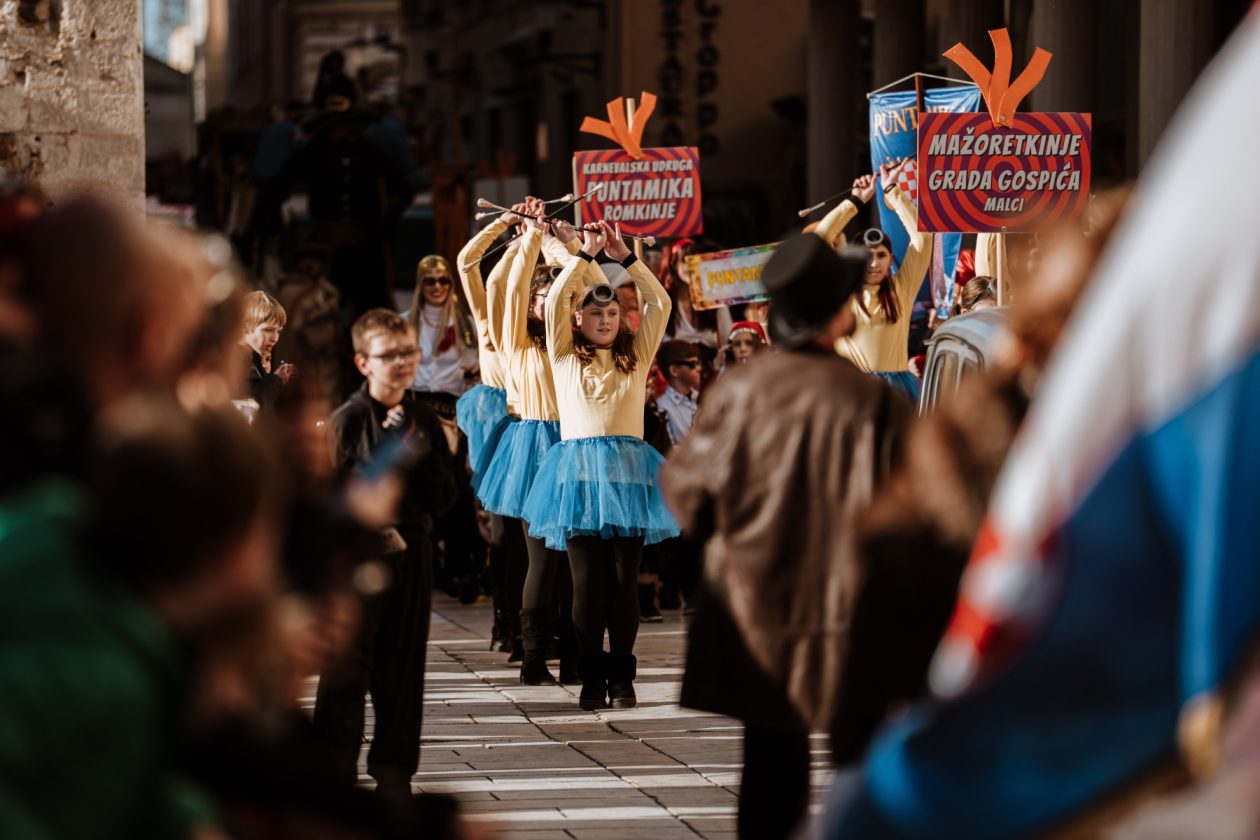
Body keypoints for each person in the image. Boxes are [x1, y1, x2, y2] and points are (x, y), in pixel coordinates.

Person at [661, 234, 912, 840]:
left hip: (757, 610)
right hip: (850, 610)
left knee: (770, 770)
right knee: (861, 764)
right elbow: (915, 517)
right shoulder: (872, 401)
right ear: (839, 313)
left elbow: (686, 493)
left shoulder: (741, 393)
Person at [523, 220, 679, 711]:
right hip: (579, 481)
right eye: (597, 313)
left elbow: (661, 304)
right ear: (579, 321)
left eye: (613, 312)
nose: (607, 319)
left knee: (623, 585)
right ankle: (591, 675)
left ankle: (623, 677)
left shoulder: (636, 355)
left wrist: (628, 260)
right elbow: (554, 302)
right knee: (587, 585)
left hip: (629, 478)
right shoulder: (566, 357)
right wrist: (586, 256)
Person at [313, 309, 457, 799]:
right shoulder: (346, 421)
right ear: (362, 362)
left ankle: (394, 772)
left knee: (402, 668)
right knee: (346, 668)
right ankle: (333, 773)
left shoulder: (422, 422)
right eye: (389, 355)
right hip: (355, 562)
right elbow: (327, 499)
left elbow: (444, 498)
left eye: (408, 353)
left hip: (410, 556)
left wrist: (414, 451)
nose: (401, 363)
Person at [478, 198, 589, 684]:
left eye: (557, 300)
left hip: (573, 444)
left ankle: (574, 649)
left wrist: (561, 242)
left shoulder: (574, 345)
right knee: (541, 557)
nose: (548, 304)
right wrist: (528, 236)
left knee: (576, 561)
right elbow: (505, 283)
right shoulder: (516, 343)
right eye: (542, 300)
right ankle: (532, 656)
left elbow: (587, 283)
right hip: (534, 447)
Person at [813, 159, 932, 400]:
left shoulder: (902, 288)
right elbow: (818, 242)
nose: (874, 263)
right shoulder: (841, 291)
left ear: (890, 260)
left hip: (896, 392)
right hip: (849, 390)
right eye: (867, 256)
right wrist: (854, 201)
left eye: (881, 255)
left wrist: (891, 190)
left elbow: (923, 238)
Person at [403, 254, 481, 603]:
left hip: (454, 410)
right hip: (418, 407)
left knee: (456, 485)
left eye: (443, 281)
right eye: (429, 281)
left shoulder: (466, 322)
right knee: (417, 481)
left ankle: (458, 564)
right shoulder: (407, 323)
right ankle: (426, 559)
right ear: (420, 286)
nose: (437, 287)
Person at [660, 237, 732, 379]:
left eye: (696, 260)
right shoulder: (665, 299)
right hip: (677, 373)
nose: (691, 266)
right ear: (674, 264)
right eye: (685, 261)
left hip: (713, 369)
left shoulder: (713, 295)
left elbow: (727, 336)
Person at [241, 290, 297, 413]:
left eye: (278, 331)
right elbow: (245, 411)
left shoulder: (256, 358)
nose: (275, 338)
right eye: (268, 330)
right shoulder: (233, 363)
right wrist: (276, 381)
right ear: (244, 326)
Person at [656, 340, 702, 445]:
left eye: (698, 363)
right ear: (674, 370)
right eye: (692, 364)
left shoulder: (702, 397)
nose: (699, 368)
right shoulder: (662, 408)